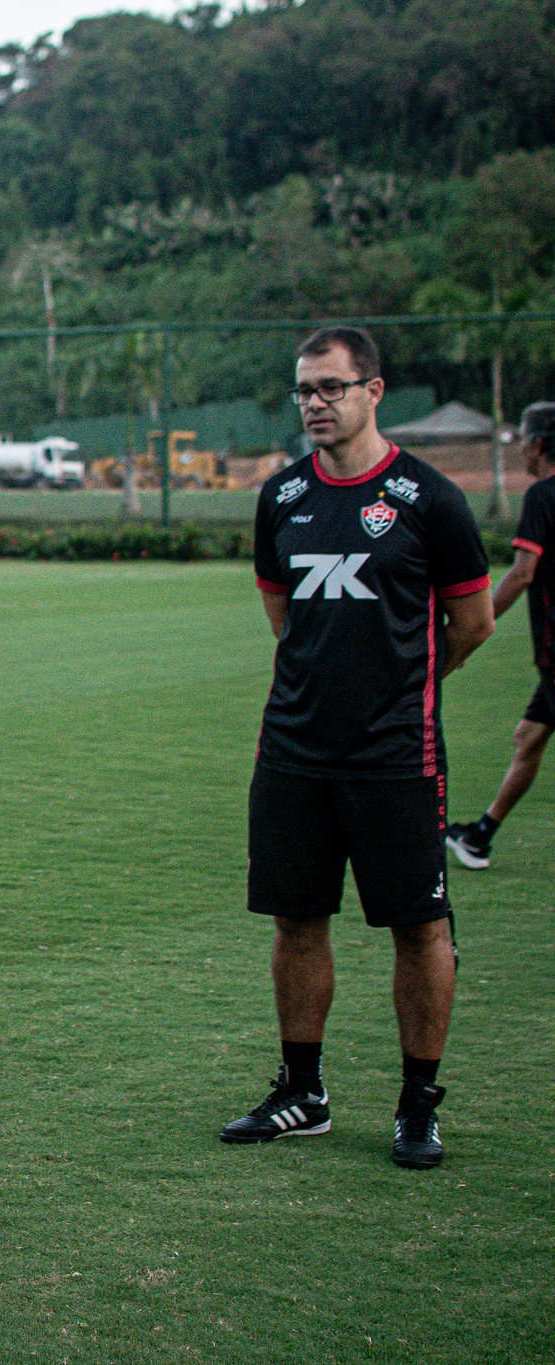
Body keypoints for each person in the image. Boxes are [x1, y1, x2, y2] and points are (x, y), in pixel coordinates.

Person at [224, 325, 494, 1170]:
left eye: (332, 387)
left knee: (420, 927)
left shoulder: (430, 498)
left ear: (375, 391)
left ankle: (419, 1103)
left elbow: (473, 621)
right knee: (296, 919)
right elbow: (286, 618)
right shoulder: (281, 497)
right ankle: (303, 1091)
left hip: (396, 756)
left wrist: (394, 686)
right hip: (295, 751)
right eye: (305, 389)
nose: (315, 404)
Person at [445, 400, 555, 869]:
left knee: (529, 737)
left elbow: (521, 574)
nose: (522, 454)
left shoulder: (543, 497)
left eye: (523, 444)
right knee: (528, 737)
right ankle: (480, 836)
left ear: (538, 445)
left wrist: (473, 625)